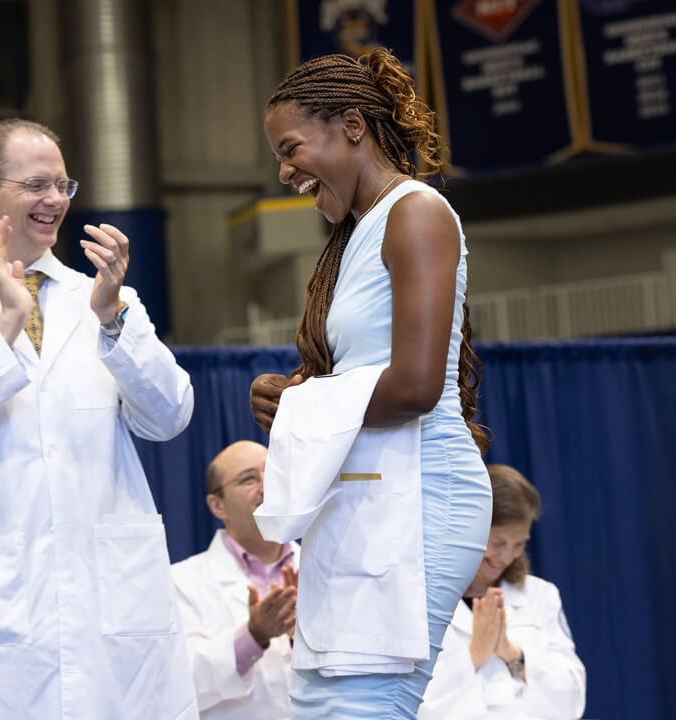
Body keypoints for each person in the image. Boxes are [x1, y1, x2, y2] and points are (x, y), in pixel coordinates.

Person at [0, 118, 198, 719]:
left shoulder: (108, 299)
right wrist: (7, 321)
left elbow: (170, 416)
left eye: (62, 185)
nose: (54, 201)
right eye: (35, 185)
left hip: (107, 609)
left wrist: (112, 321)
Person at [250, 48, 493, 718]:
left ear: (353, 125)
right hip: (369, 498)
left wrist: (304, 404)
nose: (284, 170)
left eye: (292, 147)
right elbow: (360, 377)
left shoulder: (417, 213)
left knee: (363, 705)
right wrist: (292, 391)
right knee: (320, 702)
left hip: (422, 494)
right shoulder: (356, 235)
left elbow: (416, 386)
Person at [419, 465, 585, 719]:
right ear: (468, 531)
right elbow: (413, 703)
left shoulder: (540, 596)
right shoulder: (422, 599)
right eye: (498, 543)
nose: (506, 556)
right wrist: (476, 653)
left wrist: (513, 655)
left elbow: (571, 698)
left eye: (518, 544)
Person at [172, 441, 300, 719]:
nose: (267, 488)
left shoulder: (322, 567)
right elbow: (177, 683)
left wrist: (305, 635)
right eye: (249, 479)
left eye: (273, 474)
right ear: (218, 505)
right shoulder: (179, 581)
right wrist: (254, 636)